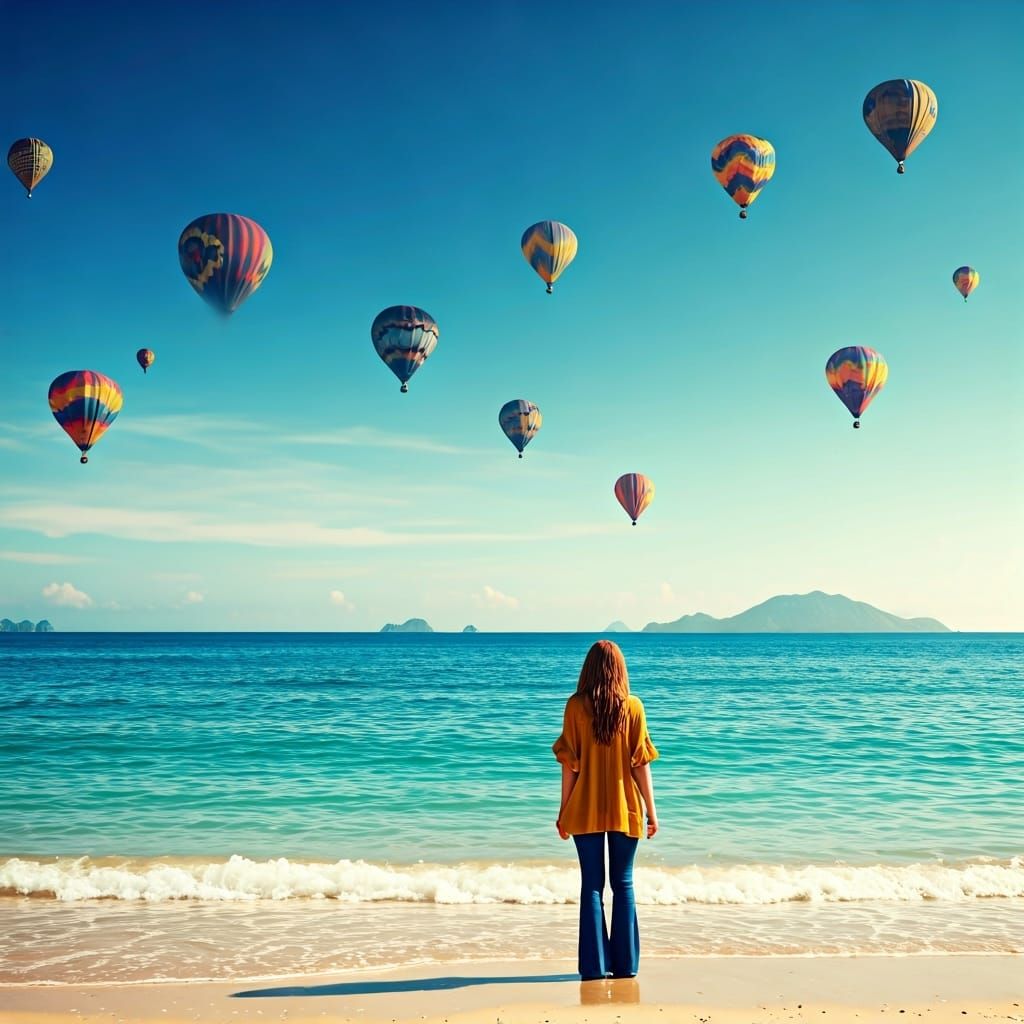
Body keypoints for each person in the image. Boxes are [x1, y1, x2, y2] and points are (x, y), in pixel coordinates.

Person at [553, 639, 659, 981]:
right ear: (620, 669)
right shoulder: (634, 707)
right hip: (626, 807)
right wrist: (652, 812)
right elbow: (641, 764)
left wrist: (563, 810)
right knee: (623, 884)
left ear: (589, 668)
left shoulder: (574, 707)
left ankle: (594, 968)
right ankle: (626, 966)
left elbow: (569, 764)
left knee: (593, 886)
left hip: (583, 808)